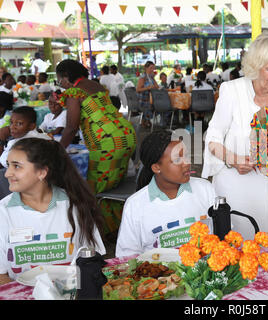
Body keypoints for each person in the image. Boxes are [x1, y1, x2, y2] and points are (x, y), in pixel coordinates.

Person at [202, 32, 268, 248]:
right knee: (240, 247)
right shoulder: (232, 90)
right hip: (237, 184)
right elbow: (212, 137)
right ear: (255, 67)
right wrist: (233, 159)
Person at [0, 138, 105, 284]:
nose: (7, 174)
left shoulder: (75, 205)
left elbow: (93, 262)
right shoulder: (3, 212)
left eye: (16, 166)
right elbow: (1, 276)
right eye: (8, 165)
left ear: (42, 172)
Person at [56, 59, 137, 234]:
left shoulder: (74, 92)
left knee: (91, 187)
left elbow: (71, 127)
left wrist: (57, 149)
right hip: (125, 136)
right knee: (112, 184)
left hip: (106, 142)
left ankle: (96, 232)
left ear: (66, 77)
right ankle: (116, 227)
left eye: (59, 80)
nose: (60, 85)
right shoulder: (96, 86)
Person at [116, 130, 216, 256]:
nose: (187, 163)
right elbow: (127, 257)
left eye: (186, 156)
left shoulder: (205, 190)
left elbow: (223, 239)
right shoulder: (135, 205)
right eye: (177, 159)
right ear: (156, 168)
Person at [136, 61, 159, 127]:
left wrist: (154, 83)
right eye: (151, 68)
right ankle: (146, 120)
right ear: (146, 68)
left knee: (160, 104)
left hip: (150, 98)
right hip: (143, 100)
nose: (152, 70)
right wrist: (147, 88)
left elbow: (157, 86)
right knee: (154, 106)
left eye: (153, 68)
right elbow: (138, 89)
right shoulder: (143, 77)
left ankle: (146, 119)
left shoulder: (151, 77)